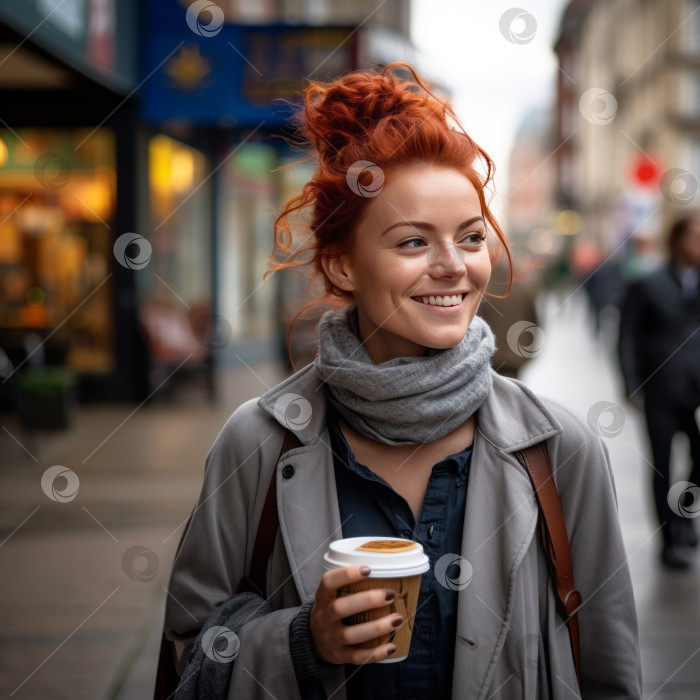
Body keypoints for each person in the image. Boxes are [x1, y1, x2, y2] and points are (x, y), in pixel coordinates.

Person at [162, 63, 642, 699]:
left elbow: (609, 677)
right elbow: (186, 658)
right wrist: (303, 643)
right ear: (343, 264)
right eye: (414, 242)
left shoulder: (559, 450)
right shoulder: (257, 442)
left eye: (470, 237)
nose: (453, 267)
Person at [618, 214, 700, 570]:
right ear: (677, 240)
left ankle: (684, 512)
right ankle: (670, 542)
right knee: (662, 465)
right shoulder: (647, 284)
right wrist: (630, 383)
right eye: (695, 236)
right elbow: (626, 337)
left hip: (696, 389)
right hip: (661, 389)